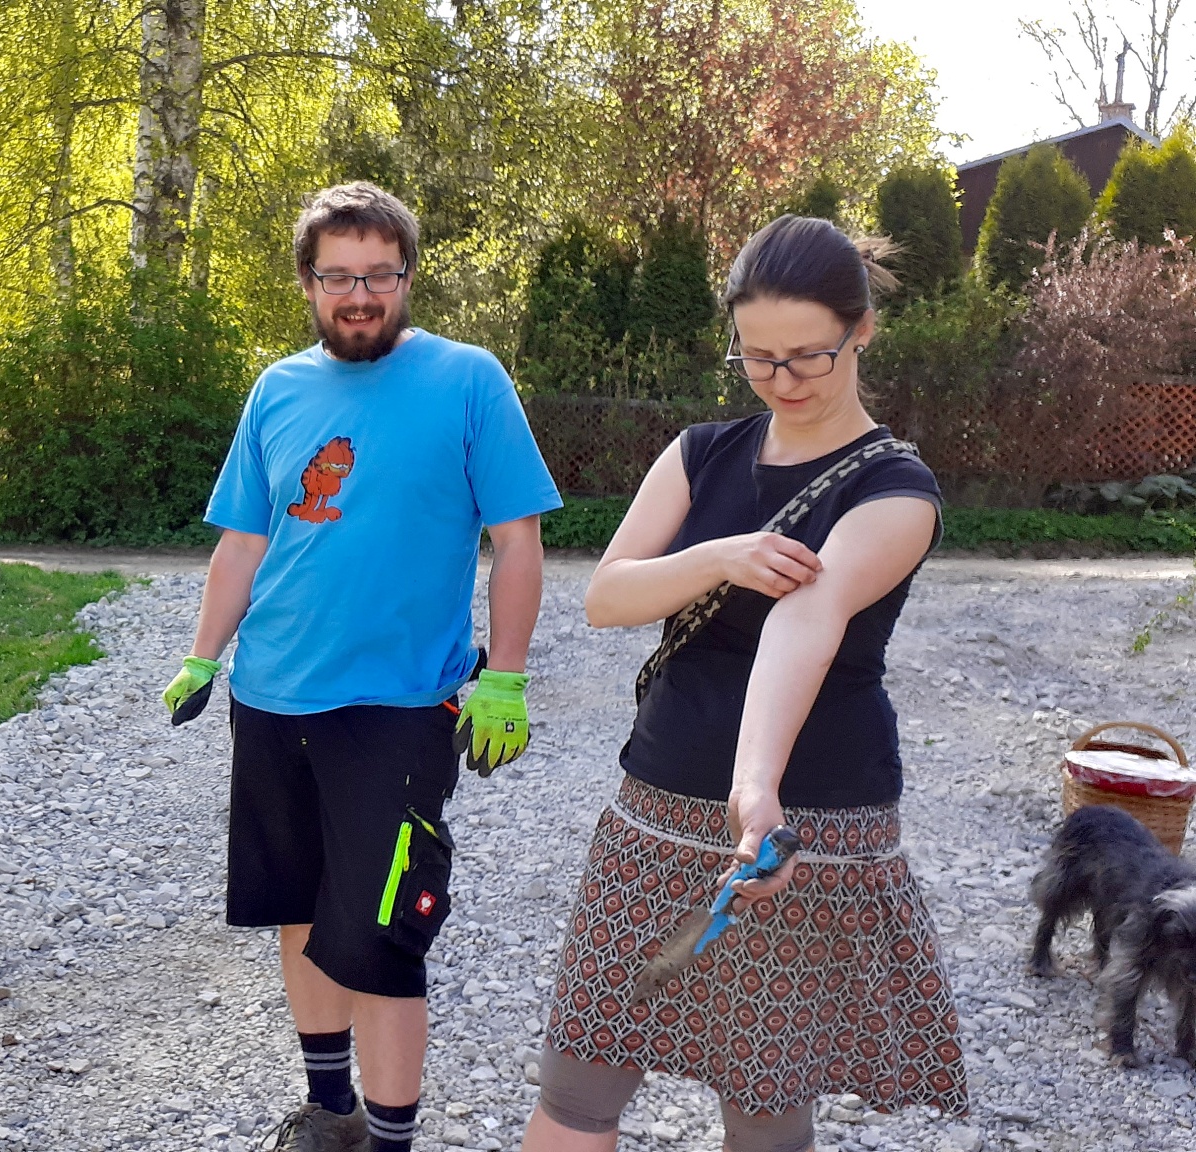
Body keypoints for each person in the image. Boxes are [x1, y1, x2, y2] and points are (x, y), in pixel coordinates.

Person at [523, 216, 964, 1152]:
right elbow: (606, 597)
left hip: (802, 822)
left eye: (808, 357)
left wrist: (755, 786)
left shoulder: (896, 489)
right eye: (757, 358)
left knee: (765, 1102)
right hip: (654, 802)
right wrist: (722, 556)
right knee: (578, 1076)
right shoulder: (701, 453)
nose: (782, 380)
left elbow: (807, 617)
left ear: (862, 331)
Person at [163, 182, 560, 1152]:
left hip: (398, 710)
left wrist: (505, 675)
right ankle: (328, 1110)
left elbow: (516, 541)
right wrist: (203, 656)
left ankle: (390, 1139)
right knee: (298, 911)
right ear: (307, 283)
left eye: (378, 275)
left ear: (407, 277)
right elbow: (243, 543)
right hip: (269, 698)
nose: (358, 296)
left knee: (384, 935)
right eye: (337, 277)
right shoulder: (276, 390)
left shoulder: (468, 381)